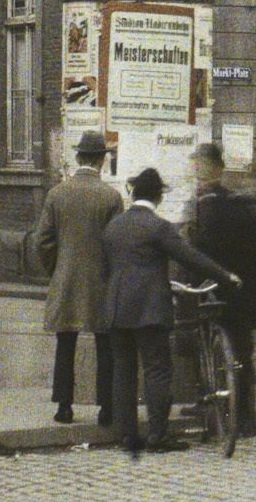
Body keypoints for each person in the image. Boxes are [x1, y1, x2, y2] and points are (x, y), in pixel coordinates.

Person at [100, 166, 239, 456]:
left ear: (133, 194)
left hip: (116, 308)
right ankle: (157, 435)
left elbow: (105, 268)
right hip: (150, 310)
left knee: (123, 372)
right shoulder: (158, 226)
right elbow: (190, 257)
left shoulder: (113, 226)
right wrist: (225, 275)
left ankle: (128, 436)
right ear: (158, 197)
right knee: (157, 371)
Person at [33, 128, 122, 426]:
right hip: (101, 282)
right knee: (105, 344)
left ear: (79, 158)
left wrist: (57, 269)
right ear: (101, 160)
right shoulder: (111, 197)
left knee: (65, 342)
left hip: (66, 278)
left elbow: (42, 240)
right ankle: (107, 409)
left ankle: (64, 407)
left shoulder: (57, 194)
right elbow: (115, 244)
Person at [190, 142, 256, 436]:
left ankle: (219, 413)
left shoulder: (207, 206)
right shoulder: (238, 205)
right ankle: (243, 418)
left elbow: (200, 250)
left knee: (218, 351)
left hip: (217, 289)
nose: (198, 174)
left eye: (200, 167)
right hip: (239, 290)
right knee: (239, 355)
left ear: (213, 169)